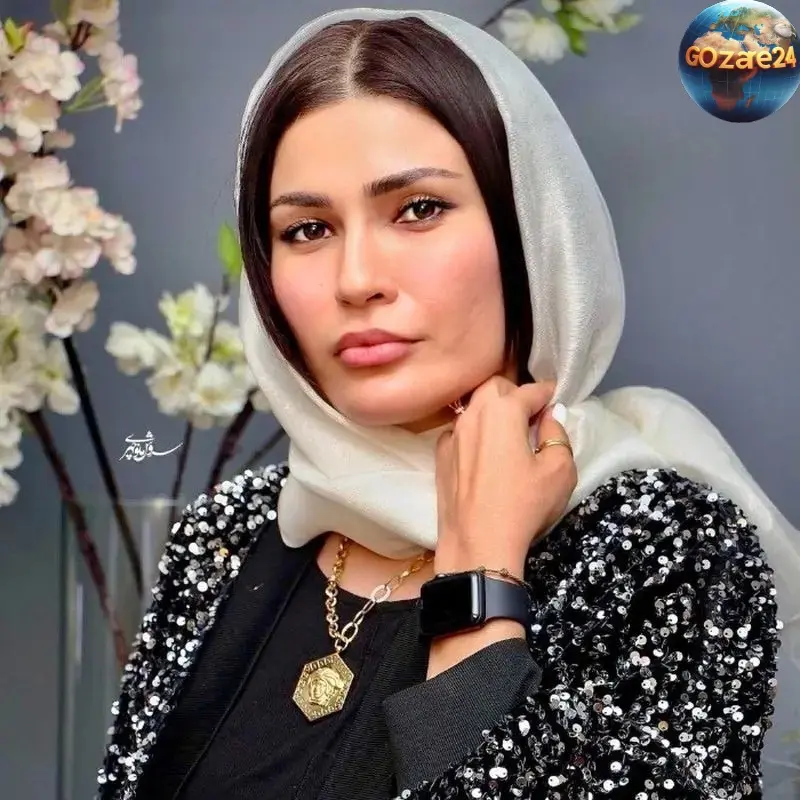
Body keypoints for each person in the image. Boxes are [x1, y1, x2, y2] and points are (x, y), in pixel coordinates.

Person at [96, 7, 800, 800]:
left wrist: (480, 582)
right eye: (308, 229)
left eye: (418, 209)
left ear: (527, 227)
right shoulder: (227, 534)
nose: (357, 279)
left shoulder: (663, 546)